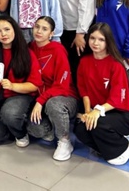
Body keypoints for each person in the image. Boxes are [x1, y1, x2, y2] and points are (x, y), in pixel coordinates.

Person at [74, 23, 129, 166]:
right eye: (92, 38)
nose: (95, 43)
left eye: (101, 39)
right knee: (80, 130)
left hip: (124, 113)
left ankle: (124, 148)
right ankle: (108, 147)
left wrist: (97, 111)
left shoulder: (116, 64)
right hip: (100, 111)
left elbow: (118, 98)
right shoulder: (84, 62)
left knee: (98, 124)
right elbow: (83, 90)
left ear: (108, 42)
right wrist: (88, 111)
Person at [0, 15, 42, 146]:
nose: (3, 34)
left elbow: (35, 85)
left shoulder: (27, 53)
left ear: (15, 30)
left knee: (10, 113)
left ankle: (21, 133)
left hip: (20, 95)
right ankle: (8, 123)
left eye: (7, 29)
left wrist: (13, 86)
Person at [26, 17, 78, 161]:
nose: (39, 31)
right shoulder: (30, 48)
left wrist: (40, 101)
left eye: (44, 29)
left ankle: (64, 140)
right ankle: (51, 126)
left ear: (51, 33)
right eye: (37, 27)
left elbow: (62, 85)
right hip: (40, 98)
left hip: (64, 96)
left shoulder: (58, 50)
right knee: (36, 129)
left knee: (53, 105)